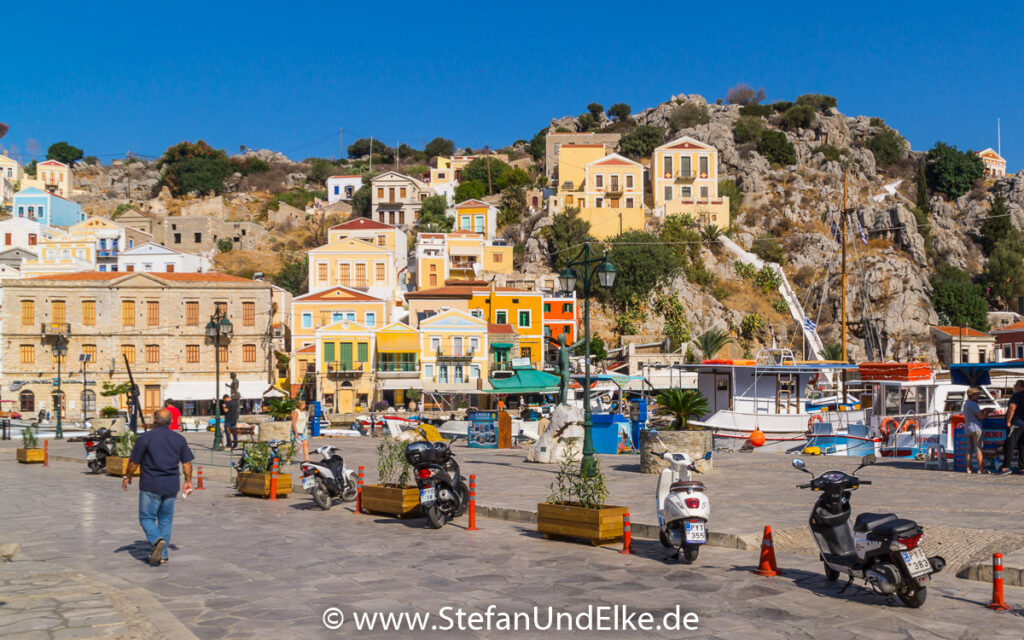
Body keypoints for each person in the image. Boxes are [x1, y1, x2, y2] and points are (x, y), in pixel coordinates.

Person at [123, 409, 194, 565]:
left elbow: (134, 462)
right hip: (171, 485)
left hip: (151, 484)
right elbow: (187, 463)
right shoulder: (179, 439)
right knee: (165, 520)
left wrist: (127, 476)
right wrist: (188, 480)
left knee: (146, 518)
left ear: (154, 421)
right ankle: (163, 554)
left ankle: (157, 540)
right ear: (170, 422)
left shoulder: (145, 438)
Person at [962, 387, 990, 474]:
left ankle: (968, 468)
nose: (978, 396)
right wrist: (987, 412)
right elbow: (980, 416)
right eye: (976, 394)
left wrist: (982, 410)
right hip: (976, 428)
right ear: (971, 395)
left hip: (968, 428)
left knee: (969, 449)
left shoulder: (966, 404)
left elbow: (974, 413)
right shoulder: (973, 404)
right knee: (978, 448)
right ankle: (980, 468)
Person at [1000, 380, 1024, 475]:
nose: (1014, 387)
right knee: (1023, 446)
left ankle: (1006, 467)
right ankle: (1022, 468)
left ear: (1020, 386)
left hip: (1016, 423)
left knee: (1010, 444)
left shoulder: (1017, 395)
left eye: (1015, 385)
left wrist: (1008, 421)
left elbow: (1012, 407)